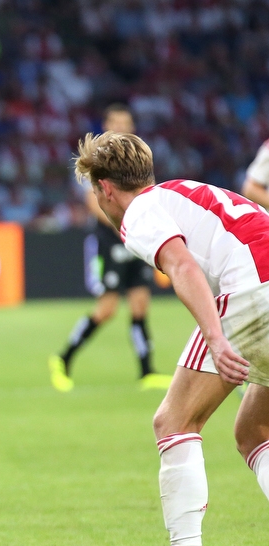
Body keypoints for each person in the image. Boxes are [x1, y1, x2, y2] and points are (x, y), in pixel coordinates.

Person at [74, 130, 269, 546]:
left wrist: (218, 336)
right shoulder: (181, 193)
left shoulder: (140, 212)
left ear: (105, 189)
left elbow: (181, 264)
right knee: (255, 431)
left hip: (253, 297)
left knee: (174, 421)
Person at [49, 105, 172, 392]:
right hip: (109, 240)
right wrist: (126, 229)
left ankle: (146, 371)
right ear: (105, 125)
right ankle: (63, 358)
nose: (122, 127)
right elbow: (93, 203)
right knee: (107, 309)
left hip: (134, 239)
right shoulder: (95, 159)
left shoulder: (136, 159)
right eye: (116, 122)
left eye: (126, 123)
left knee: (140, 304)